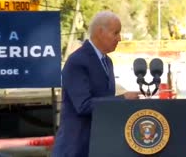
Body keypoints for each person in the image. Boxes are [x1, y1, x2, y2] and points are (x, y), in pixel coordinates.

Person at [52, 11, 140, 157]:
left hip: (100, 144)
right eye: (115, 33)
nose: (119, 38)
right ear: (100, 32)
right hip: (77, 147)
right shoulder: (77, 61)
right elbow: (83, 106)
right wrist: (123, 100)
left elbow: (104, 98)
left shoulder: (107, 61)